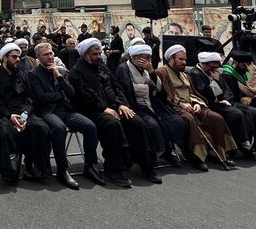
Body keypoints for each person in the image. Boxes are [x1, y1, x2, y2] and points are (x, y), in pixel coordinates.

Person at [68, 38, 161, 187]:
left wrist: (122, 104)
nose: (98, 57)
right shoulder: (76, 72)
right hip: (92, 110)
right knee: (112, 124)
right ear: (85, 55)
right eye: (94, 54)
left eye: (99, 53)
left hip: (113, 106)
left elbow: (116, 87)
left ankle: (147, 165)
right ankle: (114, 169)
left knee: (136, 121)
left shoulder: (102, 67)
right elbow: (84, 95)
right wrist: (103, 108)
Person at [29, 42, 103, 189]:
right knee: (59, 128)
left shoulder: (58, 70)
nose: (50, 57)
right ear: (38, 57)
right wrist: (60, 95)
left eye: (51, 53)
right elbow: (41, 98)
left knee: (89, 126)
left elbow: (71, 92)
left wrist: (59, 76)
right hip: (47, 112)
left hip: (65, 110)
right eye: (46, 54)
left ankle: (90, 166)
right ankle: (62, 170)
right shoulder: (33, 75)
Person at [155, 45, 237, 171]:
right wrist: (182, 104)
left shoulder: (185, 75)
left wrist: (197, 103)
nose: (184, 62)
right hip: (174, 107)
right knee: (189, 119)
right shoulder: (162, 72)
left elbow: (192, 93)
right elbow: (165, 95)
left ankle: (219, 154)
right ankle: (196, 157)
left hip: (191, 104)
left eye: (185, 59)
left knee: (216, 117)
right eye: (180, 59)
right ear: (171, 59)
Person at [0, 43, 51, 183]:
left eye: (19, 57)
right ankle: (9, 170)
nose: (18, 59)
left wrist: (24, 115)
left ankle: (34, 166)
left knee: (41, 128)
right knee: (5, 131)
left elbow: (29, 98)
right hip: (1, 114)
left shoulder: (22, 75)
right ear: (4, 58)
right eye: (14, 57)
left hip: (22, 113)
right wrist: (10, 116)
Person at [190, 52, 256, 162]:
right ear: (205, 64)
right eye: (212, 67)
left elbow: (227, 90)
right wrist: (215, 81)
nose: (214, 70)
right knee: (236, 114)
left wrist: (227, 99)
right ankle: (242, 144)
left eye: (216, 67)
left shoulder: (215, 73)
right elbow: (204, 93)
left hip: (224, 103)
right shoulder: (196, 73)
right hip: (210, 104)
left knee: (253, 111)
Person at [115, 44, 184, 167]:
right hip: (135, 105)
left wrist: (151, 72)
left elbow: (159, 90)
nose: (145, 61)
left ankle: (169, 151)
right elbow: (126, 89)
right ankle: (153, 155)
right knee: (152, 125)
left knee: (174, 121)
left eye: (148, 58)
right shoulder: (123, 68)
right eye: (142, 58)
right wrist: (145, 88)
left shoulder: (148, 69)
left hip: (152, 104)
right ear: (134, 58)